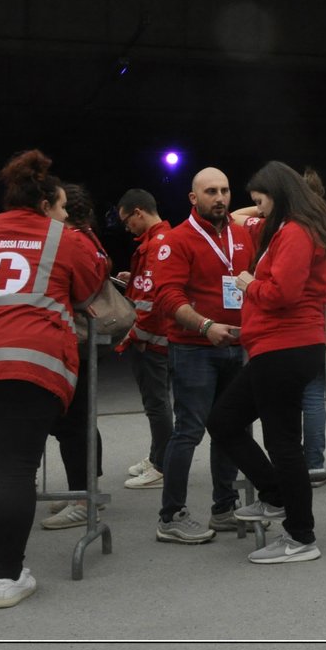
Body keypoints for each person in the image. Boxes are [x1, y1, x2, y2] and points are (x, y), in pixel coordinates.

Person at [0, 150, 107, 608]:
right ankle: (8, 577)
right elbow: (90, 282)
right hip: (28, 362)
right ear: (44, 206)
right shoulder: (63, 237)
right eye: (58, 207)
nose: (62, 215)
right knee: (16, 469)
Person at [208, 161, 326, 564]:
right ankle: (277, 498)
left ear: (280, 195)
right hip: (282, 347)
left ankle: (300, 535)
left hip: (283, 346)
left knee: (282, 443)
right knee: (224, 421)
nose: (258, 209)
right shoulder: (300, 226)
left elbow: (282, 293)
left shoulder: (295, 232)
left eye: (261, 200)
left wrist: (250, 283)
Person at [151, 166, 255, 544]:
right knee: (190, 431)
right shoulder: (176, 240)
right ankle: (171, 516)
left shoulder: (241, 235)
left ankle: (224, 508)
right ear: (194, 198)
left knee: (231, 428)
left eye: (226, 190)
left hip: (236, 345)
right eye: (211, 191)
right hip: (194, 348)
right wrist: (206, 327)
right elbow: (166, 297)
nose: (221, 198)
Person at [39, 184, 111, 530]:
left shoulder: (74, 241)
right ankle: (82, 490)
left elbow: (80, 289)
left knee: (73, 421)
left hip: (74, 340)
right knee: (77, 419)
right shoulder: (89, 238)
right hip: (77, 340)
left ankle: (84, 498)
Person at [115, 189, 175, 492]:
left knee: (157, 403)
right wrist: (134, 278)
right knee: (157, 401)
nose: (128, 228)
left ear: (138, 212)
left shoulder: (159, 245)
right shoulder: (156, 242)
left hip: (152, 339)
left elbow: (154, 300)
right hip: (152, 337)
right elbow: (149, 287)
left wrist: (136, 335)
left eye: (127, 221)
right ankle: (157, 456)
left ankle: (163, 465)